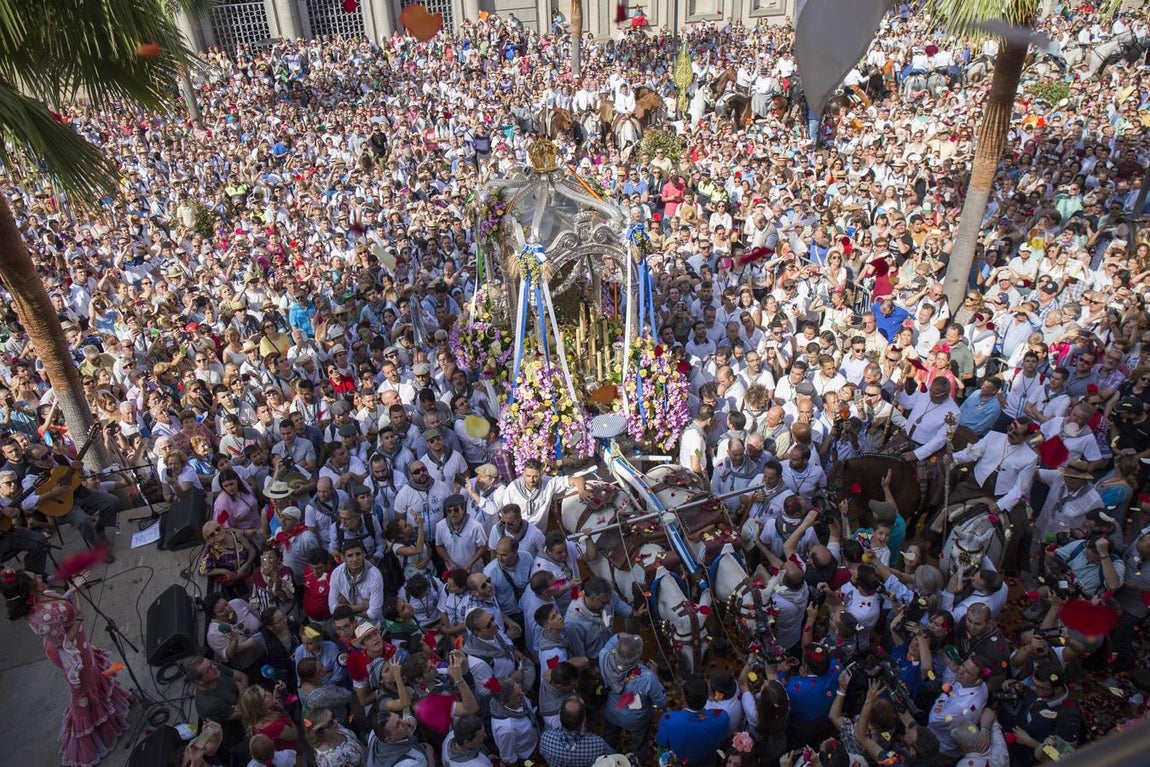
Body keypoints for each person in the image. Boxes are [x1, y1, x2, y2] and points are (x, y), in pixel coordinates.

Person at [2, 568, 131, 767]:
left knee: (94, 677)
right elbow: (62, 644)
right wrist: (79, 618)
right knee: (83, 691)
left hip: (77, 643)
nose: (41, 576)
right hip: (70, 652)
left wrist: (73, 589)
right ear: (30, 590)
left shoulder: (41, 597)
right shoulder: (42, 618)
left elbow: (61, 606)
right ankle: (91, 736)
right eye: (36, 577)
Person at [599, 633, 666, 765]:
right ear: (637, 657)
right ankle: (636, 762)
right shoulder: (648, 677)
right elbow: (661, 702)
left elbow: (612, 640)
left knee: (610, 735)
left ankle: (608, 759)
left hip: (612, 711)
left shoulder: (604, 655)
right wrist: (655, 674)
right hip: (636, 720)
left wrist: (621, 637)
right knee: (639, 744)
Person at [655, 674, 730, 767]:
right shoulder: (722, 717)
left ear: (683, 697)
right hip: (708, 761)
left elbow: (662, 742)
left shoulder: (669, 721)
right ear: (707, 697)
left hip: (681, 762)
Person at [540, 695, 615, 767]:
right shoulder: (598, 744)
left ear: (559, 714)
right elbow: (611, 757)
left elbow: (542, 753)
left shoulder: (546, 737)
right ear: (584, 720)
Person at [328, 540, 385, 622]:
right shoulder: (337, 573)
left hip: (372, 623)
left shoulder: (374, 575)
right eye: (350, 555)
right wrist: (362, 606)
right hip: (349, 622)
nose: (355, 559)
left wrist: (344, 607)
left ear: (363, 554)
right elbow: (332, 608)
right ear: (343, 558)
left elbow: (373, 613)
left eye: (358, 554)